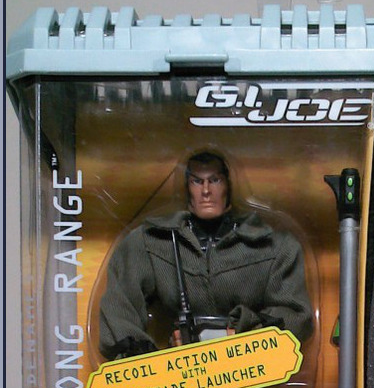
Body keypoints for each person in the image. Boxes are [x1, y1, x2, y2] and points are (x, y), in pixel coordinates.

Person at [99, 150, 314, 359]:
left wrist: (244, 335)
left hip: (247, 367)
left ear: (229, 186)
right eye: (197, 181)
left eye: (215, 180)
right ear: (186, 188)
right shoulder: (152, 242)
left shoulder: (274, 246)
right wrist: (148, 360)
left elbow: (296, 318)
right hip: (181, 369)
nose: (206, 191)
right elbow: (118, 310)